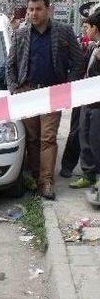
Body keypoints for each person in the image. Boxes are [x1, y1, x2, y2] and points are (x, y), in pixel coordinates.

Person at [5, 0, 84, 199]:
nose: (34, 13)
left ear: (48, 9)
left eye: (38, 9)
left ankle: (47, 182)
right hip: (27, 92)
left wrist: (67, 87)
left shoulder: (64, 31)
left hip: (53, 93)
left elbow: (78, 62)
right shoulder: (21, 34)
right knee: (32, 139)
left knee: (48, 138)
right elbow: (10, 65)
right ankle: (34, 176)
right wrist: (15, 89)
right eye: (30, 9)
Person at [62, 18, 94, 180]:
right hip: (82, 94)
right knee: (77, 131)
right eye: (84, 27)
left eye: (87, 27)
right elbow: (75, 64)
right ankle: (68, 166)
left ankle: (90, 171)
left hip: (93, 99)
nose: (84, 30)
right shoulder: (84, 45)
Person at [71, 13, 100, 189]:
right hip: (87, 101)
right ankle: (88, 174)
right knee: (85, 138)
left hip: (98, 105)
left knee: (97, 140)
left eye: (87, 27)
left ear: (95, 28)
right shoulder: (93, 48)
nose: (85, 30)